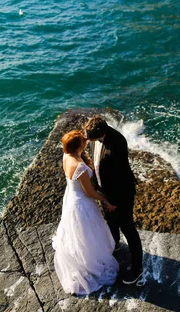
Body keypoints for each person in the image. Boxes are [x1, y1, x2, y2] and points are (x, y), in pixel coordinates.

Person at [52, 130, 119, 295]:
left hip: (71, 199)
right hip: (82, 203)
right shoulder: (80, 166)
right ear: (78, 146)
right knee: (88, 232)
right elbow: (89, 192)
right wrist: (105, 199)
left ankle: (81, 255)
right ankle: (89, 261)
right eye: (83, 140)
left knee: (79, 233)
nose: (86, 140)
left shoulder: (66, 156)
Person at [84, 114, 143, 285]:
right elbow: (96, 164)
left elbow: (121, 178)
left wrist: (113, 202)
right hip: (105, 192)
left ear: (100, 133)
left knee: (129, 229)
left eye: (90, 138)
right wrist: (99, 191)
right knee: (110, 221)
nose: (88, 141)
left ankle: (137, 268)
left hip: (121, 195)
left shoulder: (117, 144)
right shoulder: (96, 137)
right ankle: (115, 244)